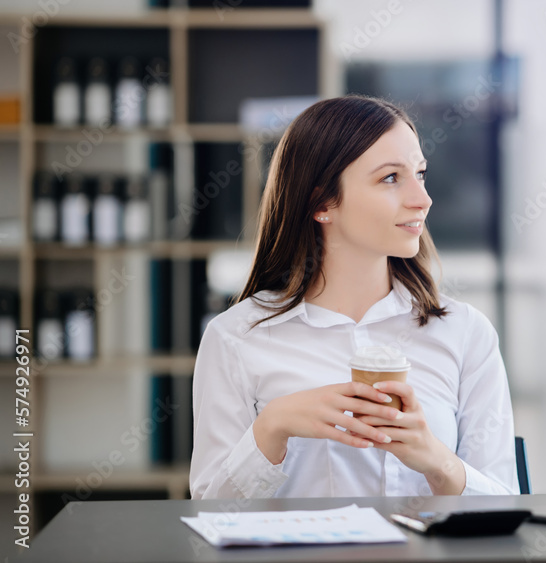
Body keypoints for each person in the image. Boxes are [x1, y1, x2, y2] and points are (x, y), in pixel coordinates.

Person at [189, 95, 518, 499]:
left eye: (420, 173)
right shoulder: (234, 338)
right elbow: (209, 512)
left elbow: (504, 506)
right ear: (322, 202)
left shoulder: (465, 333)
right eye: (391, 178)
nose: (423, 198)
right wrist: (272, 427)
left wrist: (436, 459)